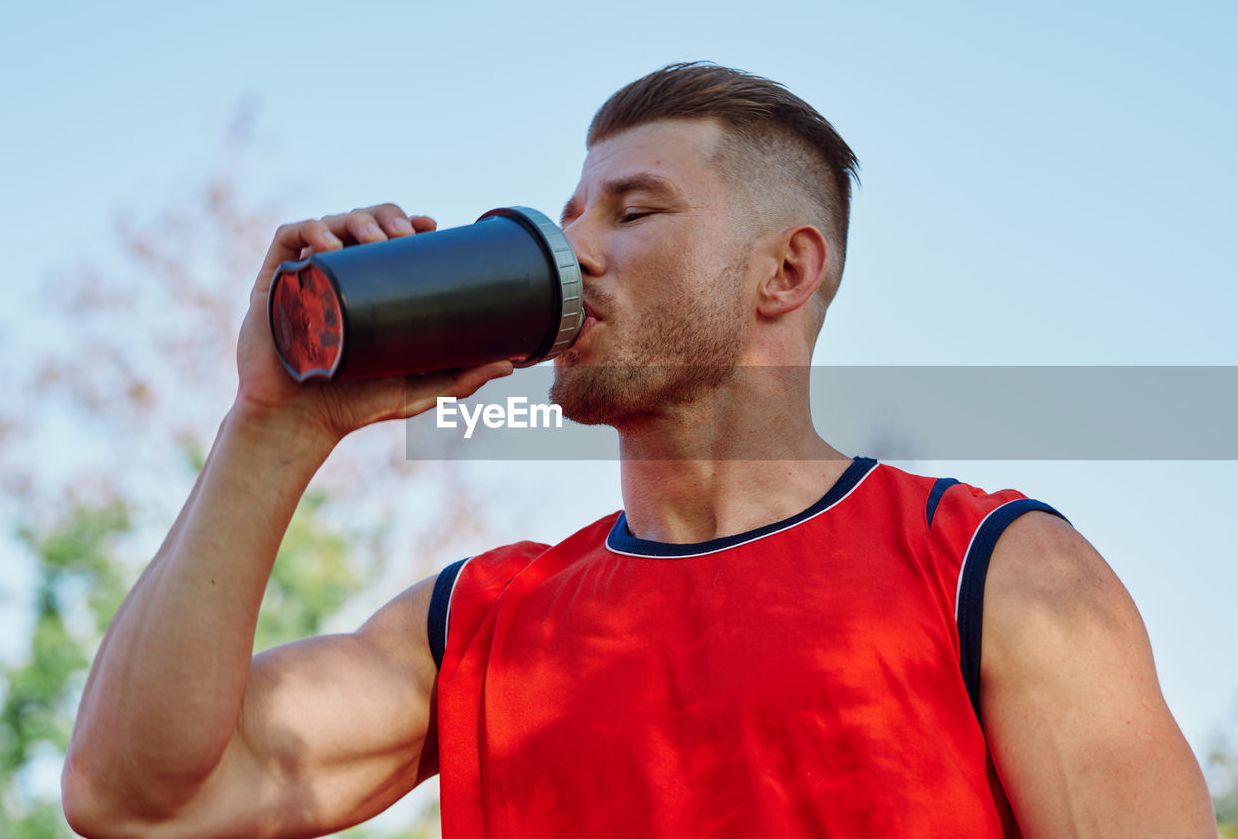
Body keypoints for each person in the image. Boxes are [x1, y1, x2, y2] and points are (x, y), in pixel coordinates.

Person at [62, 63, 1216, 837]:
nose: (578, 251)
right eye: (570, 216)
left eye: (634, 209)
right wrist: (271, 425)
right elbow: (136, 800)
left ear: (785, 270)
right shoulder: (477, 622)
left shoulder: (988, 567)